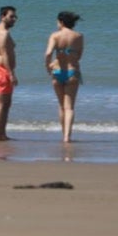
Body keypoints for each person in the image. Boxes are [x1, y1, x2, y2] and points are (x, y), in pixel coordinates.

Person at [45, 10, 84, 143]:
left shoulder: (55, 36)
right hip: (72, 72)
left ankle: (63, 135)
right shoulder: (78, 36)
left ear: (61, 22)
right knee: (70, 107)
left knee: (61, 106)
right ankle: (67, 137)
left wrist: (48, 66)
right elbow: (78, 56)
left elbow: (48, 53)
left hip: (57, 72)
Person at [0, 6, 18, 141]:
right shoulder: (3, 33)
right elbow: (4, 53)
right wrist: (11, 74)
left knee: (5, 103)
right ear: (3, 17)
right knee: (2, 103)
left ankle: (2, 134)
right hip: (1, 70)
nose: (14, 19)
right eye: (11, 17)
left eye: (15, 17)